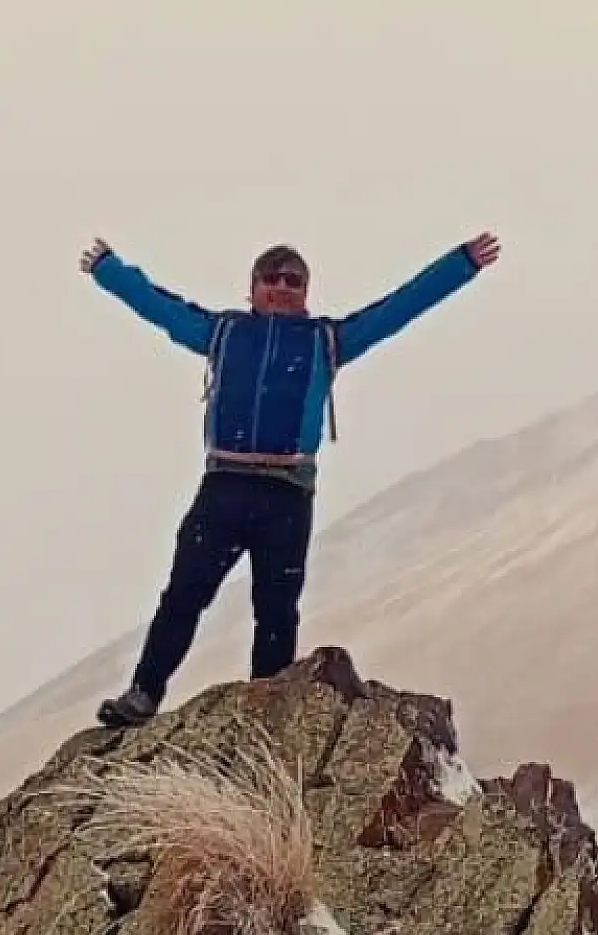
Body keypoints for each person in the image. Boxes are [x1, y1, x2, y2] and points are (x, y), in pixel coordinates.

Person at [80, 231, 502, 727]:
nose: (282, 286)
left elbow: (399, 308)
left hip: (287, 492)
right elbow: (158, 305)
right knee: (184, 595)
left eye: (294, 280)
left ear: (306, 291)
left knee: (276, 610)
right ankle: (143, 694)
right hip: (225, 485)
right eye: (272, 278)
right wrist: (108, 269)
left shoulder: (327, 341)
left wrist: (461, 264)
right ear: (252, 287)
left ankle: (267, 714)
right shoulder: (221, 332)